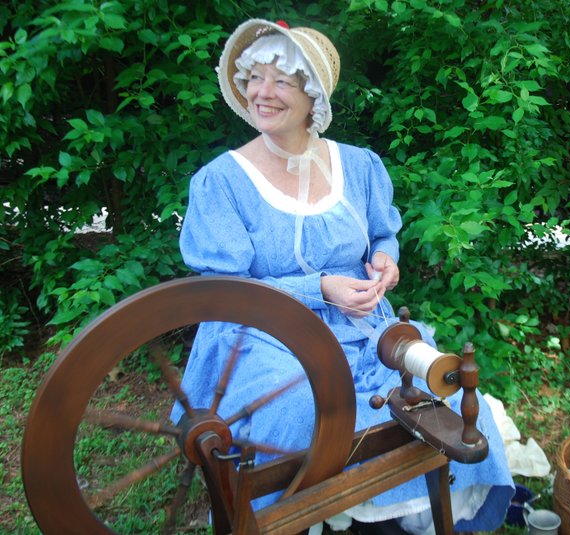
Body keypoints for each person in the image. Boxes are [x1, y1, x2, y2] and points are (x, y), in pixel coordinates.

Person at [173, 17, 514, 533]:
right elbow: (225, 295)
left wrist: (386, 259)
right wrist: (319, 289)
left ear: (313, 97)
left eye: (281, 81)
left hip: (362, 326)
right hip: (262, 339)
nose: (261, 93)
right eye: (253, 79)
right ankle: (326, 510)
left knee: (434, 396)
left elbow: (383, 235)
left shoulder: (359, 165)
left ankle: (389, 508)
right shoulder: (221, 182)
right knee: (308, 412)